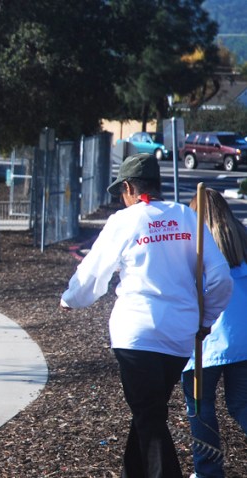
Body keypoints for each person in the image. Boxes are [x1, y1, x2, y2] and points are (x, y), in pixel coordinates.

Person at [59, 153, 233, 477]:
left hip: (136, 334)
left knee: (149, 417)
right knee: (148, 412)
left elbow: (93, 273)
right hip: (179, 337)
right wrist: (204, 320)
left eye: (121, 194)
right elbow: (221, 278)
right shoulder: (185, 216)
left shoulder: (124, 221)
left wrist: (71, 299)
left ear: (128, 187)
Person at [182, 187, 247, 478]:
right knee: (241, 403)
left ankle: (208, 470)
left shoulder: (196, 245)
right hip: (243, 337)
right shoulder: (241, 238)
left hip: (206, 341)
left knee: (200, 405)